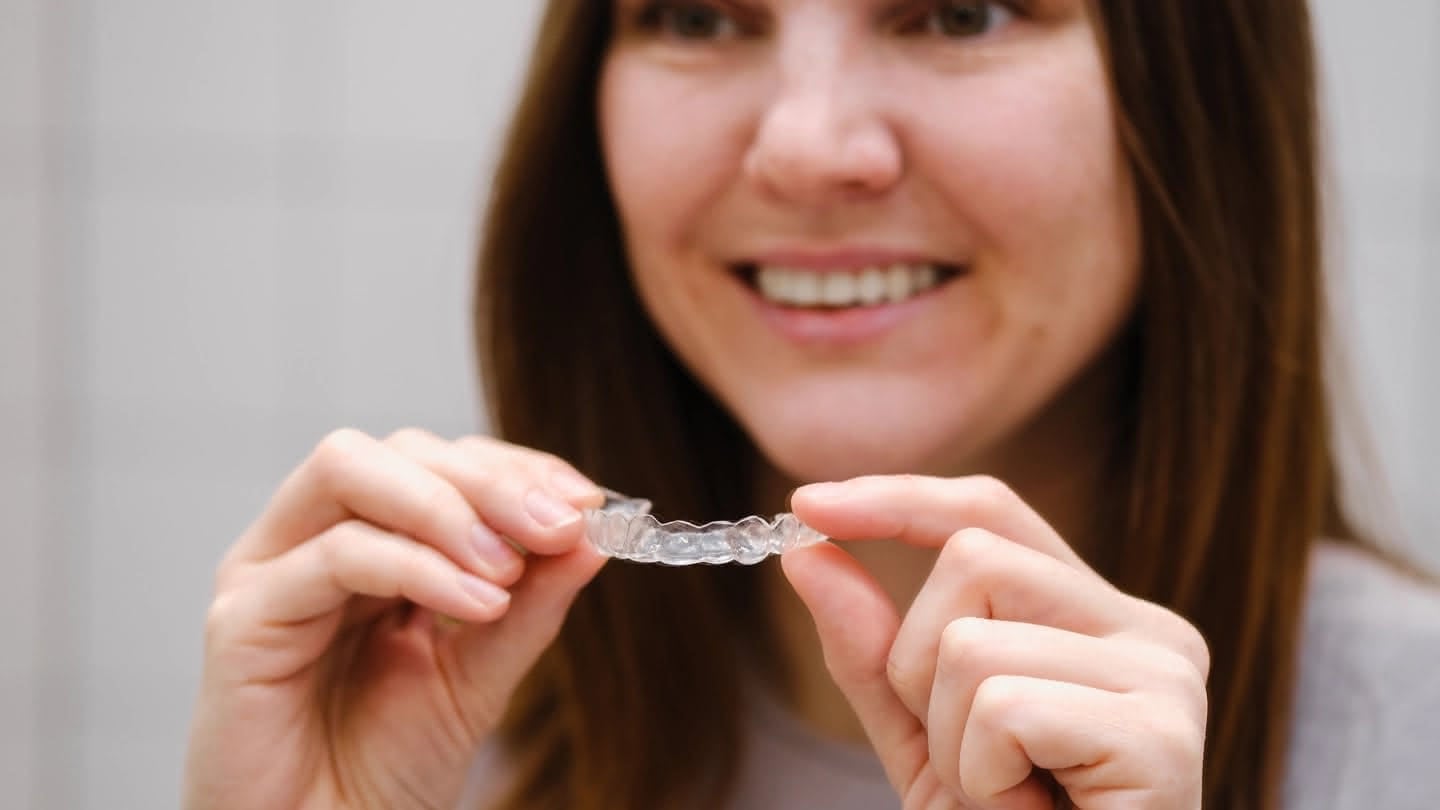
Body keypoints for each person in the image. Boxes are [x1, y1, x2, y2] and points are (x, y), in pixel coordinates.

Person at [182, 1, 1440, 808]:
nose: (804, 144)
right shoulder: (434, 740)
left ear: (1197, 99)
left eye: (959, 13)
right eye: (698, 14)